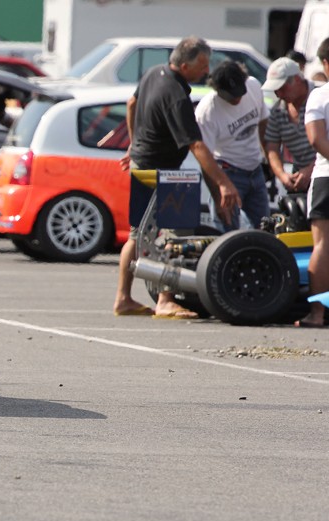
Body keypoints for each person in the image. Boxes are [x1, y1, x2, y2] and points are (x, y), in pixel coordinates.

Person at [114, 36, 241, 319]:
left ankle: (123, 298)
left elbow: (131, 103)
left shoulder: (152, 73)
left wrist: (133, 144)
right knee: (175, 234)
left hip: (141, 165)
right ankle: (165, 299)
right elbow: (196, 146)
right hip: (163, 171)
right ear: (184, 65)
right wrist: (223, 183)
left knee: (137, 235)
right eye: (202, 66)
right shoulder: (176, 96)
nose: (206, 72)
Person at [194, 59, 269, 229]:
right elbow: (204, 157)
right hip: (228, 171)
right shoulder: (207, 111)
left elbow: (264, 120)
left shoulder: (254, 86)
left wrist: (267, 157)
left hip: (255, 169)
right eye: (231, 95)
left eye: (239, 93)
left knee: (265, 230)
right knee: (227, 232)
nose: (237, 99)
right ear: (217, 90)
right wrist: (219, 190)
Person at [299, 37, 329, 328]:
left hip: (326, 176)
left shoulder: (320, 96)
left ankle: (317, 314)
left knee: (322, 246)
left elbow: (315, 138)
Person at [263, 56, 317, 198]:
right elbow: (272, 148)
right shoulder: (277, 112)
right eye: (275, 90)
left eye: (282, 88)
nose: (279, 94)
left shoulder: (321, 99)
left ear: (297, 80)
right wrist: (283, 176)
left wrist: (312, 169)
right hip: (299, 179)